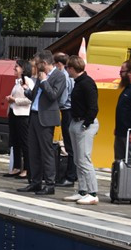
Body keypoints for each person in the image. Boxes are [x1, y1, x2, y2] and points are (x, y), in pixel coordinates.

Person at [18, 51, 67, 195]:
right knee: (33, 150)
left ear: (44, 63)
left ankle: (50, 184)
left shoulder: (59, 76)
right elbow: (35, 96)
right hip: (34, 115)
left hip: (46, 119)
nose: (36, 66)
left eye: (38, 63)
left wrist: (45, 81)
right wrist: (27, 90)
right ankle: (35, 182)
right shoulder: (40, 76)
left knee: (46, 152)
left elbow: (53, 96)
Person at [63, 56, 100, 205]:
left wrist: (86, 123)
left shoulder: (87, 83)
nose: (67, 71)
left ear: (72, 68)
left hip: (85, 123)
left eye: (67, 68)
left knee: (84, 159)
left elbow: (93, 107)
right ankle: (82, 190)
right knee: (78, 159)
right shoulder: (79, 83)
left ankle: (92, 192)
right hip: (77, 121)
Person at [4, 59, 33, 178]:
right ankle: (16, 167)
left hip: (23, 115)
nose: (14, 68)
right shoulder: (17, 82)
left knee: (24, 142)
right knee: (15, 141)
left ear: (23, 68)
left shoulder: (28, 82)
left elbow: (30, 99)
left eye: (17, 66)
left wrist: (14, 100)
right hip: (14, 113)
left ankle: (27, 168)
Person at [53, 52, 77, 187]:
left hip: (67, 112)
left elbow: (63, 99)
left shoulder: (65, 78)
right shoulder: (70, 78)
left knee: (70, 146)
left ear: (59, 64)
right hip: (70, 111)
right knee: (71, 145)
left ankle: (70, 176)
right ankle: (73, 174)